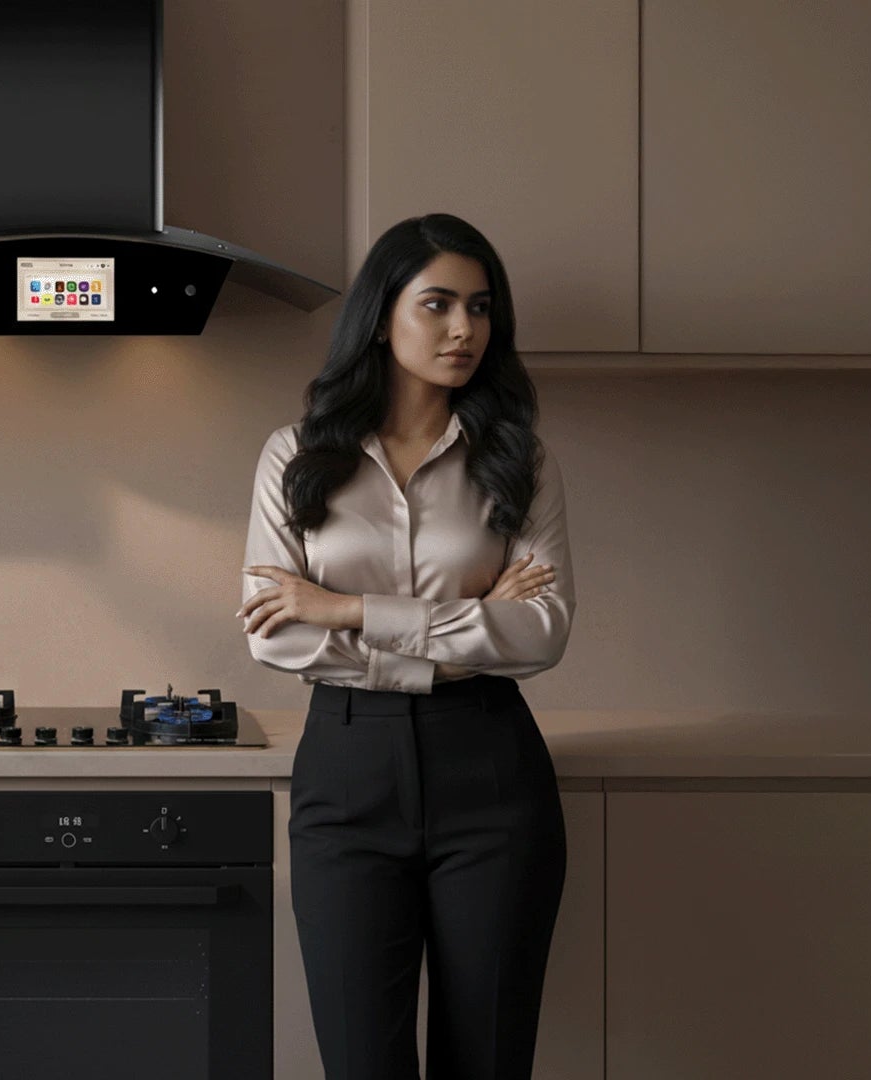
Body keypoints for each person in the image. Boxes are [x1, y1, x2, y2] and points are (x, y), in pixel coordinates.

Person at [237, 212, 574, 1080]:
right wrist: (469, 622)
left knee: (488, 1062)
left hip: (492, 773)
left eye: (482, 307)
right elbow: (277, 638)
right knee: (361, 1064)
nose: (465, 329)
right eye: (438, 305)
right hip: (346, 775)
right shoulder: (297, 456)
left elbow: (539, 632)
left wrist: (347, 609)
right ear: (382, 314)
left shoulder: (518, 461)